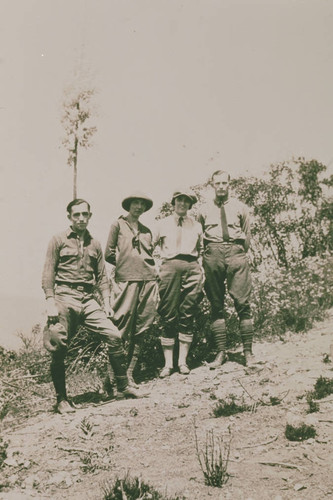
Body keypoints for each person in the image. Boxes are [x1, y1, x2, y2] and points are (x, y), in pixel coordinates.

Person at [42, 198, 140, 414]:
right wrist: (50, 302)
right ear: (69, 217)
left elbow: (102, 277)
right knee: (58, 344)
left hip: (88, 299)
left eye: (84, 214)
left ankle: (123, 387)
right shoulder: (58, 240)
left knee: (114, 335)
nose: (80, 218)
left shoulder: (94, 243)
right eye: (76, 214)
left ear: (89, 216)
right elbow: (48, 273)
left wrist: (106, 304)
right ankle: (61, 400)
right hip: (64, 297)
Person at [198, 170, 255, 368]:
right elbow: (200, 235)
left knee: (242, 301)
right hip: (212, 254)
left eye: (224, 183)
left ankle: (248, 352)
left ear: (229, 184)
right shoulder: (203, 209)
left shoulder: (240, 207)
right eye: (217, 183)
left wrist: (238, 252)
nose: (221, 186)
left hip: (236, 252)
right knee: (216, 303)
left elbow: (246, 235)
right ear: (212, 185)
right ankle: (221, 352)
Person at [105, 191, 158, 387]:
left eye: (142, 204)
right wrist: (124, 265)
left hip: (148, 280)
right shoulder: (117, 225)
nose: (138, 207)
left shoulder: (146, 231)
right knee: (119, 328)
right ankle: (111, 378)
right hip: (126, 281)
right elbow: (108, 253)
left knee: (142, 327)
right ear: (128, 206)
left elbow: (148, 254)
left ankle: (129, 374)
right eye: (135, 203)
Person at [153, 190, 204, 377]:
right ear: (173, 203)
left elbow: (202, 250)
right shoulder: (161, 224)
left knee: (188, 312)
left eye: (186, 201)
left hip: (191, 267)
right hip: (169, 267)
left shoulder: (197, 226)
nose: (182, 203)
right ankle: (168, 364)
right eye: (179, 200)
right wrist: (156, 268)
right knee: (168, 313)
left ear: (190, 205)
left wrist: (200, 271)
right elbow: (149, 246)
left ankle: (182, 362)